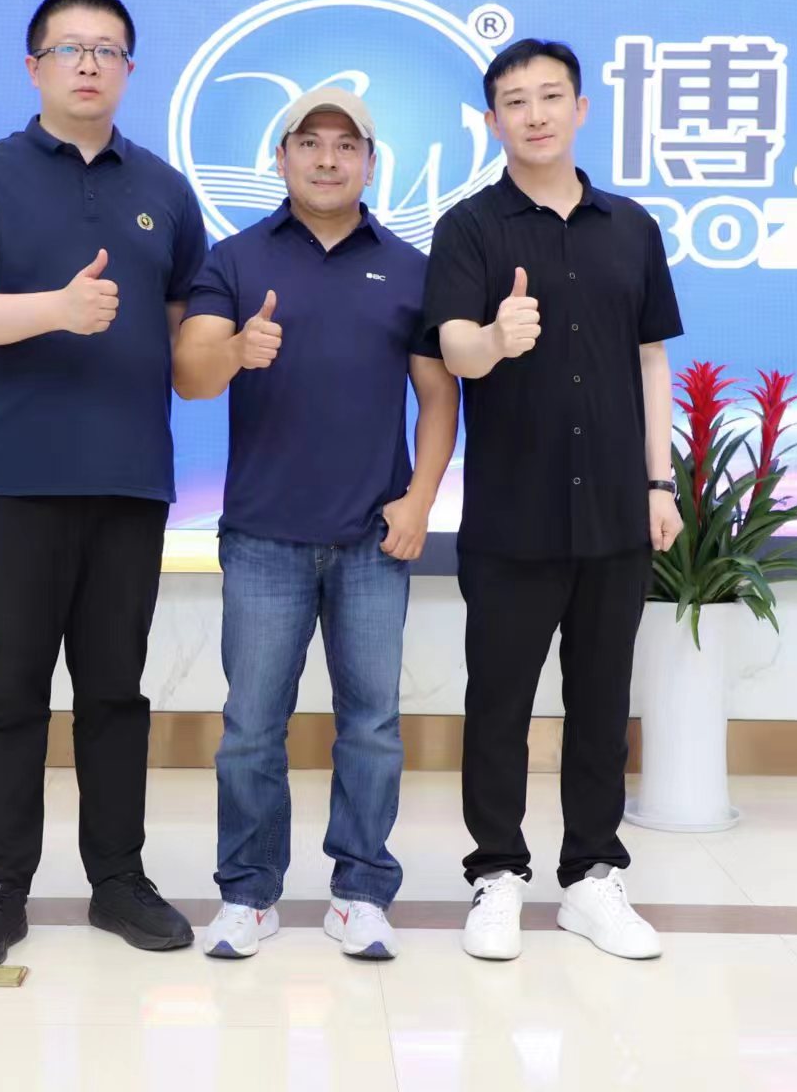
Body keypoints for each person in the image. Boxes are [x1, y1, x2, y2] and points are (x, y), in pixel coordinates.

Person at [0, 0, 204, 967]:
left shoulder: (165, 189)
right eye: (68, 47)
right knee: (10, 689)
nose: (88, 63)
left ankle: (118, 879)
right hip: (18, 476)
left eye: (107, 49)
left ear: (129, 69)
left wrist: (234, 349)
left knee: (115, 691)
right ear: (33, 65)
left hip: (131, 477)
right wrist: (56, 308)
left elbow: (186, 343)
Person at [174, 88, 460, 961]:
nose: (327, 158)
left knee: (370, 726)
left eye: (345, 145)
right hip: (262, 536)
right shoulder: (234, 258)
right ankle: (247, 893)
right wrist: (235, 350)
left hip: (373, 538)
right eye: (309, 142)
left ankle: (360, 892)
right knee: (250, 729)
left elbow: (438, 395)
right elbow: (189, 373)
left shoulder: (409, 267)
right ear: (281, 157)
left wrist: (419, 499)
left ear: (369, 162)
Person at [422, 39, 685, 962]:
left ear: (580, 108)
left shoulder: (630, 227)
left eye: (549, 96)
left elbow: (651, 359)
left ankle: (591, 877)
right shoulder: (468, 228)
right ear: (490, 120)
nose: (533, 114)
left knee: (601, 703)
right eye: (513, 100)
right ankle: (497, 872)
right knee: (498, 702)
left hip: (615, 509)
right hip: (512, 512)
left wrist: (660, 481)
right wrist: (496, 337)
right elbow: (452, 349)